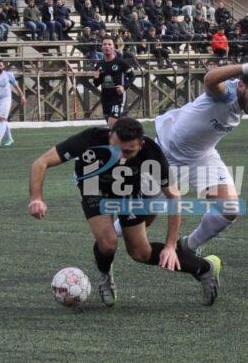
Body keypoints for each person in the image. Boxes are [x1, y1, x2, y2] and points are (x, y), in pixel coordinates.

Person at [113, 48, 248, 256]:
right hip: (166, 154)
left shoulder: (247, 88)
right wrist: (247, 66)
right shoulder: (226, 93)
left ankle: (187, 247)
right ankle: (107, 238)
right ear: (240, 86)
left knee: (229, 209)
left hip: (202, 156)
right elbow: (210, 79)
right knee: (144, 215)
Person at [28, 118, 222, 307]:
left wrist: (171, 245)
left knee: (140, 253)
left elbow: (174, 197)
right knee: (108, 243)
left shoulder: (152, 154)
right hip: (93, 186)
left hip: (128, 190)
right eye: (116, 148)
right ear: (110, 135)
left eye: (128, 152)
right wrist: (36, 198)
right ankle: (105, 275)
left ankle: (205, 268)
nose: (120, 156)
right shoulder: (90, 139)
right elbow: (41, 162)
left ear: (141, 144)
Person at [91, 37, 135, 126]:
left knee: (111, 126)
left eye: (109, 44)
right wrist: (96, 77)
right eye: (104, 44)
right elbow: (96, 84)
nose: (107, 46)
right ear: (102, 47)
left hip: (117, 97)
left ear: (114, 47)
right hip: (106, 98)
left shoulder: (121, 62)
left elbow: (132, 76)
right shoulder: (99, 65)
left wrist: (124, 86)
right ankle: (128, 137)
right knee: (115, 127)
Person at [0, 59, 27, 147]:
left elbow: (16, 87)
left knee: (2, 118)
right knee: (2, 120)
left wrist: (22, 97)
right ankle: (10, 139)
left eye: (0, 65)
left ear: (3, 66)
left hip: (6, 99)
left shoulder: (8, 75)